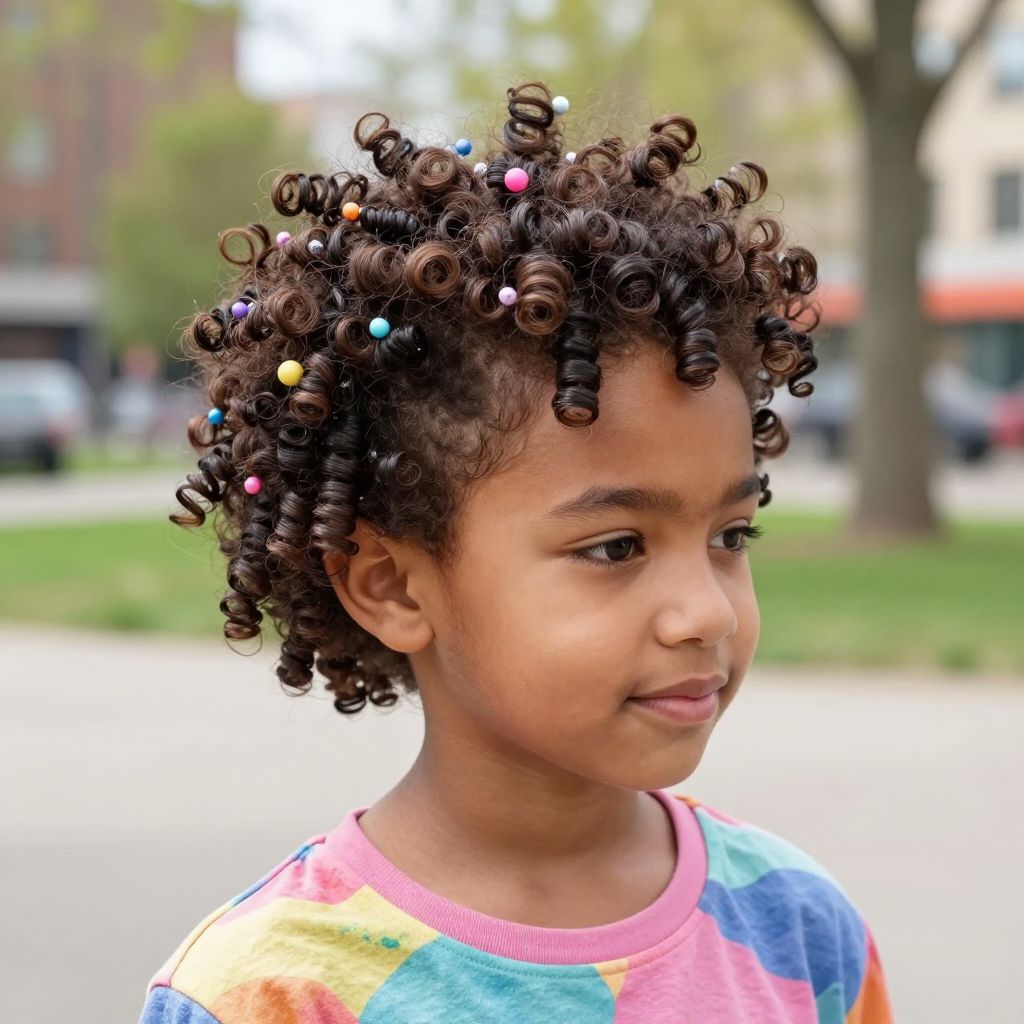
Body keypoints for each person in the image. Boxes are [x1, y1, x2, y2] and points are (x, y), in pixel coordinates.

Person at [138, 79, 895, 1023]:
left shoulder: (800, 932)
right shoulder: (270, 996)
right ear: (391, 585)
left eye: (730, 536)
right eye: (617, 546)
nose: (706, 611)